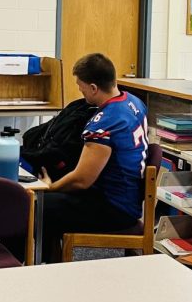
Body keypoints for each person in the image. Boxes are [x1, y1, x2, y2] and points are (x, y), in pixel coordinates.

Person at [38, 53, 147, 261]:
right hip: (129, 198)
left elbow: (81, 180)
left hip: (114, 207)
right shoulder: (134, 103)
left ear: (94, 88)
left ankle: (27, 265)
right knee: (49, 204)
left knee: (35, 206)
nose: (81, 92)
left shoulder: (105, 122)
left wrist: (48, 187)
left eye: (81, 87)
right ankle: (49, 261)